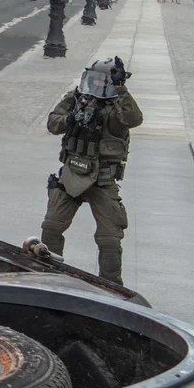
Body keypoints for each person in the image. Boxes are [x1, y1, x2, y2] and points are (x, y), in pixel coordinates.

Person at [40, 57, 144, 285]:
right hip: (71, 175)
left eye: (103, 80)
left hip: (103, 179)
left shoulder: (117, 105)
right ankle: (48, 275)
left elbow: (134, 119)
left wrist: (121, 89)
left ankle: (111, 285)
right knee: (51, 227)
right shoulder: (76, 99)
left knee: (109, 239)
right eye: (94, 79)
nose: (97, 85)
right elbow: (52, 123)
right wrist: (70, 119)